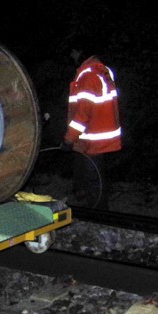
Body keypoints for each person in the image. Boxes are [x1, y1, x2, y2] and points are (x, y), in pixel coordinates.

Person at [60, 53, 122, 209]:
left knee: (93, 180)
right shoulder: (101, 72)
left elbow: (82, 114)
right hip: (97, 135)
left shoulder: (88, 77)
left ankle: (98, 216)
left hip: (92, 138)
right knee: (93, 177)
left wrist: (69, 139)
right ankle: (94, 208)